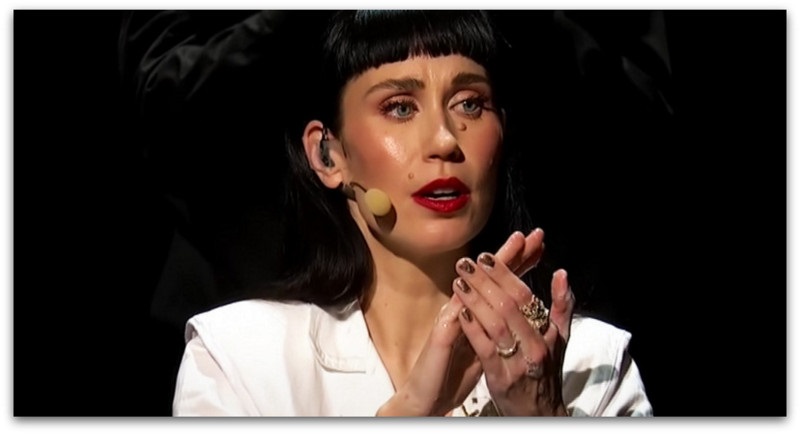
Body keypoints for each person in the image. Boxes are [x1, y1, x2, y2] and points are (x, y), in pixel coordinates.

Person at [171, 10, 653, 417]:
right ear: (327, 155)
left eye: (470, 104)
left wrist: (542, 418)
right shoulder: (239, 358)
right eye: (400, 108)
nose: (445, 139)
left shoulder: (592, 364)